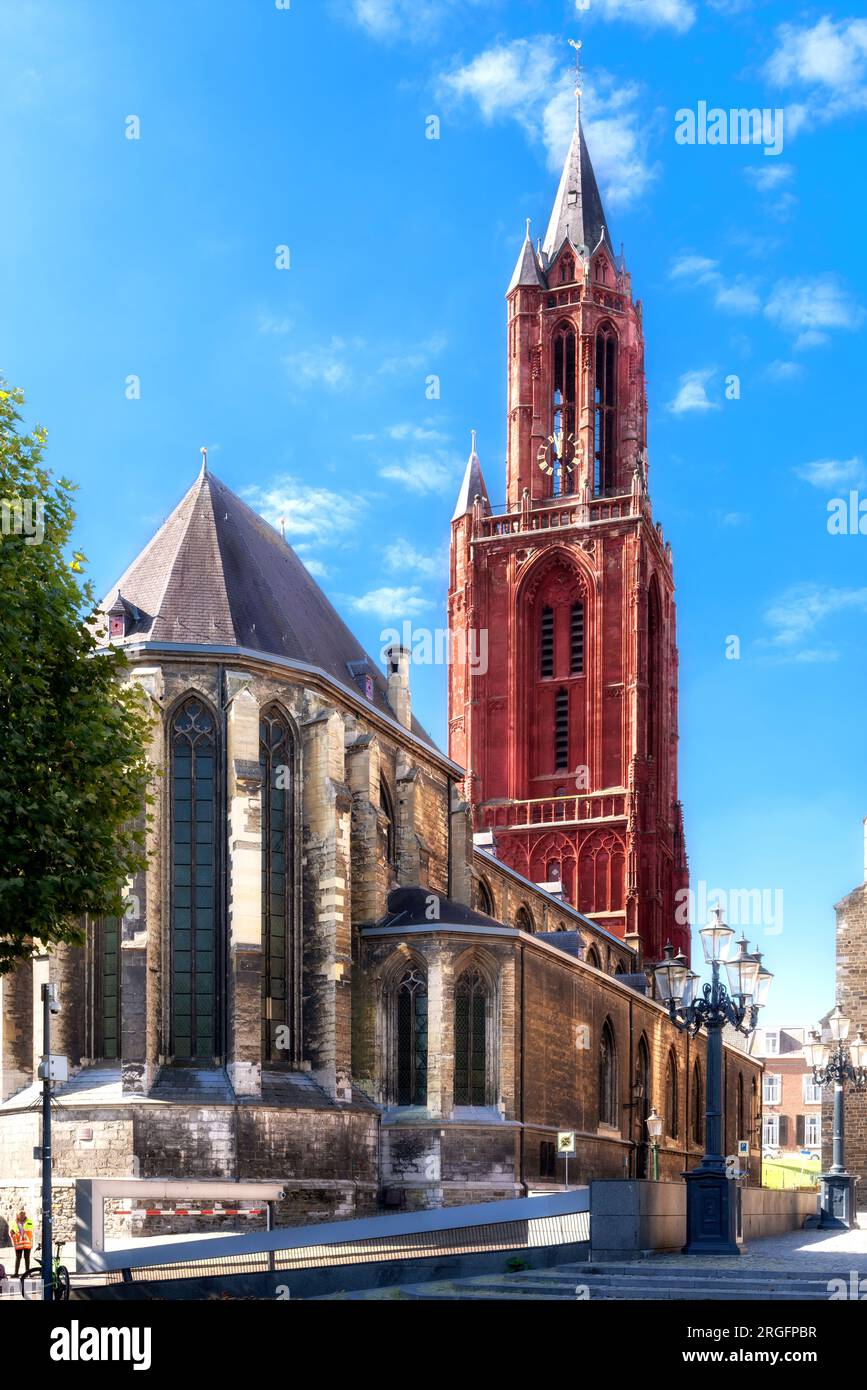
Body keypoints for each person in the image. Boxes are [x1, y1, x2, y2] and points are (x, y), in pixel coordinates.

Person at [10, 1209, 34, 1278]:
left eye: (23, 1214)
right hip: (18, 1243)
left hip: (27, 1243)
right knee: (18, 1258)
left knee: (27, 1258)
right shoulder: (14, 1222)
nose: (22, 1215)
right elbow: (11, 1231)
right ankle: (16, 1273)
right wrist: (12, 1233)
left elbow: (31, 1231)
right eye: (21, 1214)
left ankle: (28, 1273)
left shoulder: (29, 1221)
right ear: (17, 1215)